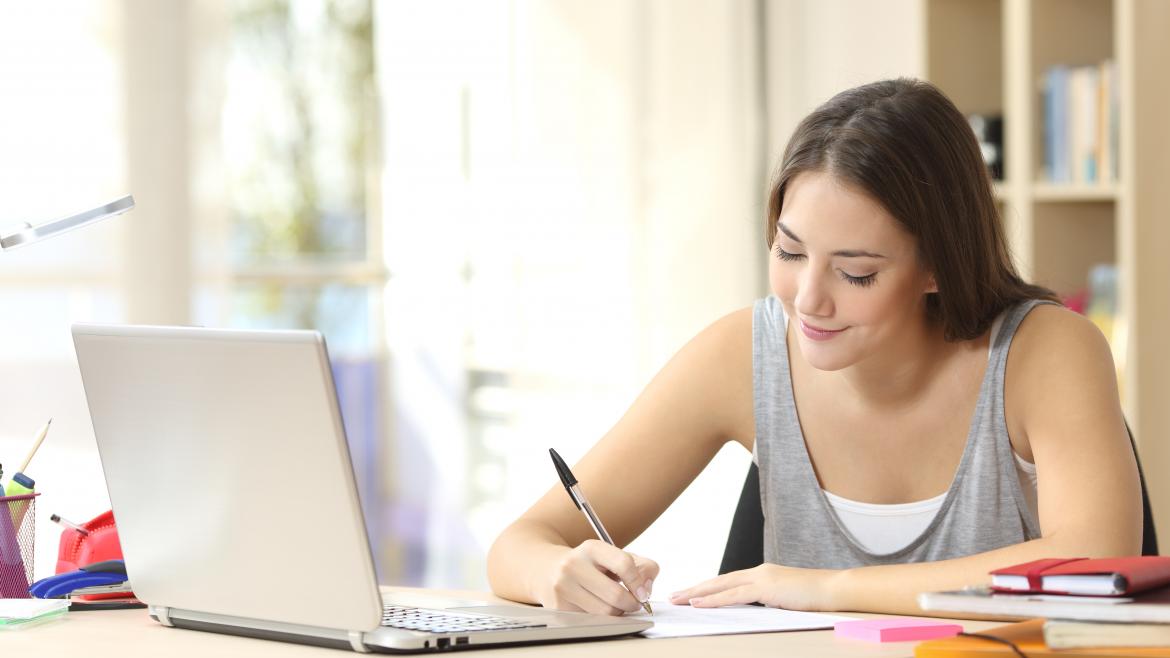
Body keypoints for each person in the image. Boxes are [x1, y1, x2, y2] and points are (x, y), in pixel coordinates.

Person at [486, 78, 1142, 616]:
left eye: (855, 272)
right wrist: (559, 574)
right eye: (789, 251)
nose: (807, 299)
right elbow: (518, 544)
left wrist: (825, 589)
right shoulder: (744, 355)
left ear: (938, 265)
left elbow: (1095, 554)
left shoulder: (1045, 351)